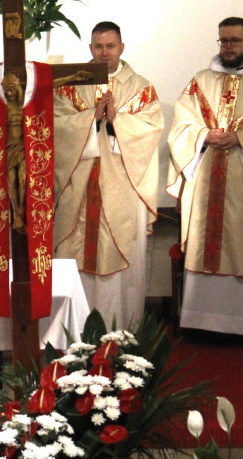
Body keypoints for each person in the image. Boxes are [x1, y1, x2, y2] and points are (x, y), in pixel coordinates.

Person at [167, 17, 243, 344]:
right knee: (205, 242)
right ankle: (201, 322)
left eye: (235, 41)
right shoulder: (201, 81)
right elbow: (181, 126)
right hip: (206, 180)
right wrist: (204, 135)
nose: (229, 47)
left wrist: (241, 139)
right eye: (224, 41)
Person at [53, 22, 162, 329]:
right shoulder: (69, 85)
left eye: (110, 46)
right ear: (90, 48)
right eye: (99, 46)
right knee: (74, 257)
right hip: (78, 185)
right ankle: (72, 329)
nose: (104, 53)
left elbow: (150, 131)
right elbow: (56, 127)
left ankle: (121, 329)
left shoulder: (140, 87)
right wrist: (91, 118)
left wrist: (117, 120)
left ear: (121, 48)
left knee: (119, 257)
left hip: (122, 189)